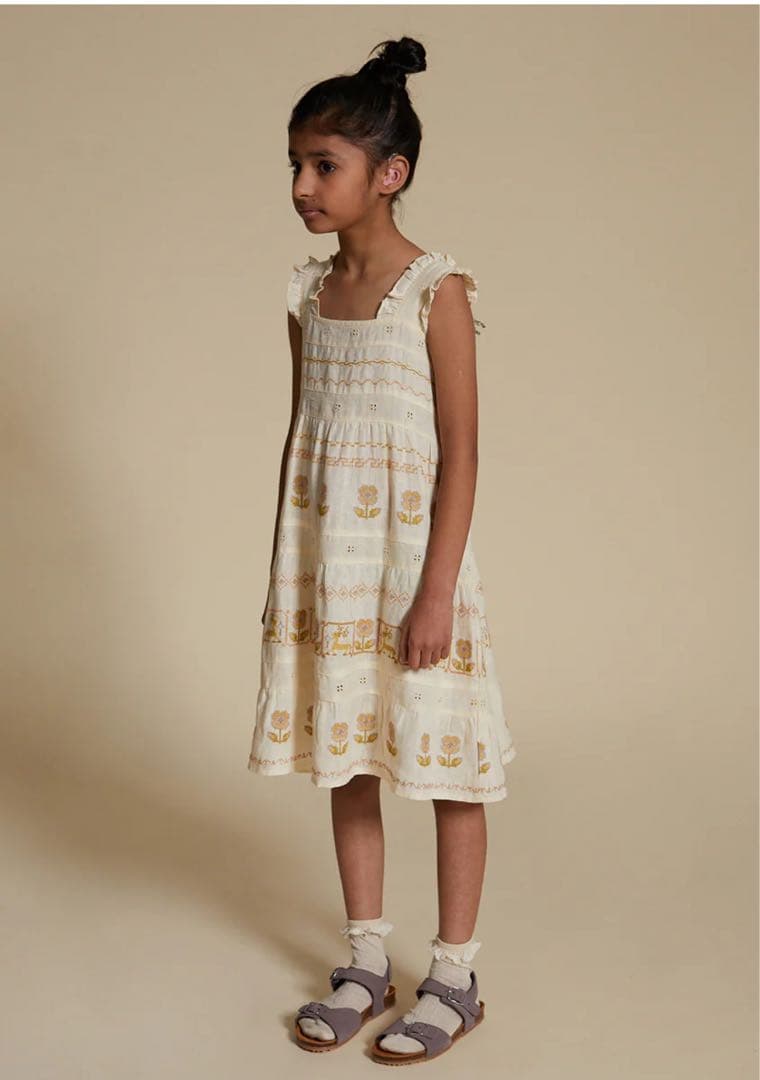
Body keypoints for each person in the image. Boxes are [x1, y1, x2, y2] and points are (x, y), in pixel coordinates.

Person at [247, 35, 517, 1064]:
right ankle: (366, 958)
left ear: (389, 174)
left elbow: (463, 450)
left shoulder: (435, 290)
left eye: (324, 165)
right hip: (332, 569)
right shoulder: (306, 295)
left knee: (447, 768)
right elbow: (303, 434)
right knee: (347, 757)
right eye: (295, 164)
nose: (301, 187)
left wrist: (435, 592)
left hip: (415, 570)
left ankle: (455, 974)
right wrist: (291, 576)